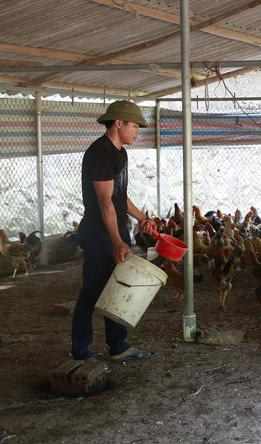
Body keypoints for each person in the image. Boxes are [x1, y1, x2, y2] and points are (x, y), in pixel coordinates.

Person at [72, 100, 157, 370]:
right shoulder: (101, 153)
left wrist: (141, 218)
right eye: (135, 126)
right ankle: (81, 351)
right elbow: (105, 201)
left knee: (119, 287)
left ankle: (118, 347)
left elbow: (120, 195)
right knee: (92, 293)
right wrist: (117, 241)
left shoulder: (119, 152)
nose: (138, 132)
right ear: (118, 123)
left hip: (116, 229)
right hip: (100, 234)